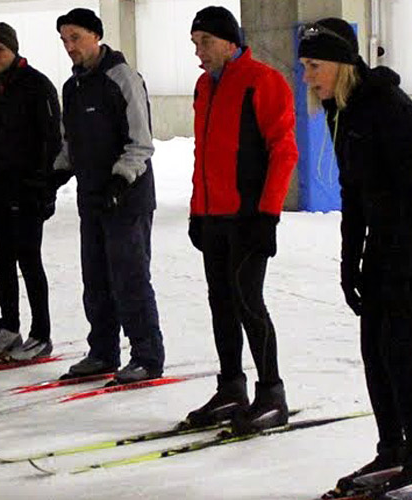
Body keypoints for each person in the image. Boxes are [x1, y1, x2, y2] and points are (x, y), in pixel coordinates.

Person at [300, 19, 412, 500]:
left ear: (342, 64)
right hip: (390, 238)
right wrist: (351, 263)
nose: (307, 77)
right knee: (374, 348)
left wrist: (397, 274)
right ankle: (392, 450)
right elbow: (353, 192)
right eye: (304, 66)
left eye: (314, 66)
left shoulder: (390, 109)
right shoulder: (339, 109)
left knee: (398, 348)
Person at [182, 6, 298, 434]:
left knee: (249, 301)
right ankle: (231, 388)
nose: (199, 52)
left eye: (206, 42)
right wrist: (198, 210)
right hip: (213, 217)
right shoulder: (203, 87)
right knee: (220, 303)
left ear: (231, 41)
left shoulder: (262, 81)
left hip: (248, 218)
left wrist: (267, 215)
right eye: (195, 44)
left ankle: (272, 394)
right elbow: (203, 154)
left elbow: (283, 151)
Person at [54, 8, 165, 382]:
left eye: (76, 38)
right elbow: (71, 143)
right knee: (96, 279)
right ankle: (103, 351)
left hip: (127, 199)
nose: (70, 47)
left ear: (96, 36)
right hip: (92, 200)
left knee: (130, 278)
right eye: (65, 40)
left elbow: (141, 142)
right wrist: (53, 174)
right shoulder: (72, 86)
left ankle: (147, 355)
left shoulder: (123, 78)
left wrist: (120, 181)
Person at [0, 22, 64, 362]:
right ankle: (9, 328)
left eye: (0, 50)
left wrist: (46, 187)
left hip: (27, 188)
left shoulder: (37, 85)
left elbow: (52, 139)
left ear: (14, 49)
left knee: (29, 259)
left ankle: (41, 333)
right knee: (2, 258)